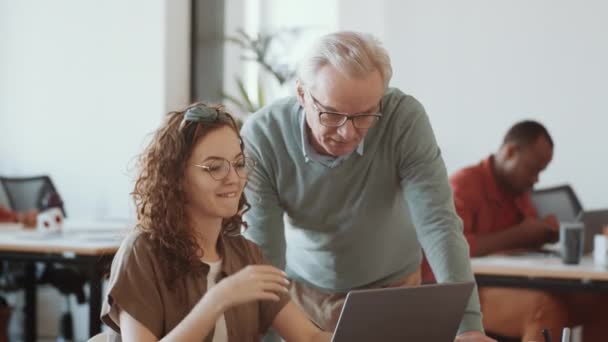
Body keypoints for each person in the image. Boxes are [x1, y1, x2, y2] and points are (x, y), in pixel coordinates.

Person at [240, 31, 493, 341]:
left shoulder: (403, 118)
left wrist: (468, 328)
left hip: (393, 291)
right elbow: (263, 254)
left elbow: (438, 223)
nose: (348, 132)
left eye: (364, 116)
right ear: (302, 95)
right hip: (303, 295)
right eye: (332, 115)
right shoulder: (263, 136)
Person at [100, 103, 331, 342]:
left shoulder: (245, 254)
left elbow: (309, 337)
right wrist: (218, 299)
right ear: (176, 178)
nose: (233, 178)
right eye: (214, 167)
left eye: (239, 164)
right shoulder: (142, 252)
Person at [426, 120, 608, 341]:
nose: (536, 179)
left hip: (514, 283)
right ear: (511, 151)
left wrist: (543, 234)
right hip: (466, 293)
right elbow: (449, 248)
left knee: (600, 300)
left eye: (541, 171)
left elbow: (525, 234)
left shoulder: (518, 190)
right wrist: (520, 234)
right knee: (543, 308)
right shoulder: (463, 185)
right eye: (533, 169)